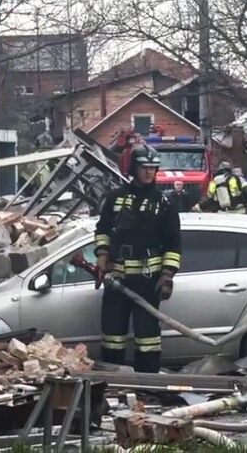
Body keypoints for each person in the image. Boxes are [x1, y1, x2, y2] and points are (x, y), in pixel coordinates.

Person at [94, 145, 182, 373]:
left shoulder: (164, 203)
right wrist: (102, 254)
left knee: (147, 338)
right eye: (144, 167)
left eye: (153, 168)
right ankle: (112, 382)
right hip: (116, 279)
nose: (149, 172)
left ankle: (148, 383)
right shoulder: (115, 198)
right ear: (133, 168)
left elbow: (174, 244)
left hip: (147, 282)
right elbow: (102, 229)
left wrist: (167, 275)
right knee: (112, 336)